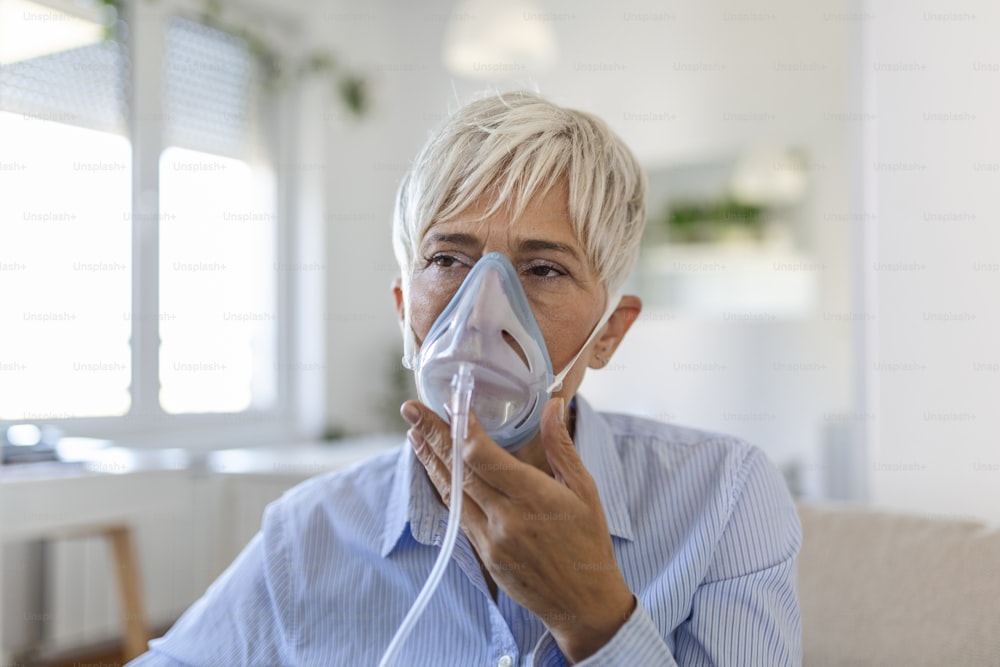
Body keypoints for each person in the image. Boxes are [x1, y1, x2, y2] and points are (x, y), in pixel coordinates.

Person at [129, 91, 801, 666]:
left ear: (611, 333)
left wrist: (595, 614)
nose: (482, 313)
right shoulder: (310, 534)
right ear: (404, 310)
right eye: (449, 258)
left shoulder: (722, 500)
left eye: (543, 269)